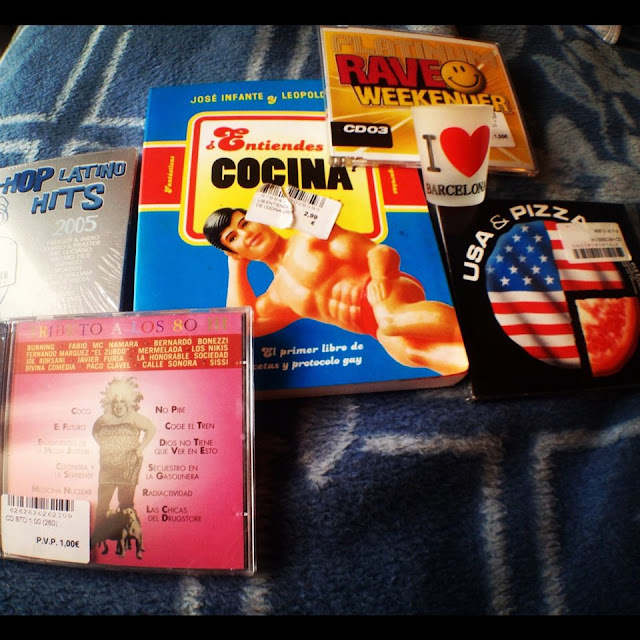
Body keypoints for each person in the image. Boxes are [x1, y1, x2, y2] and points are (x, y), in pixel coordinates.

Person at [203, 207, 467, 375]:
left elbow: (379, 251)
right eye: (233, 238)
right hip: (371, 326)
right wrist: (235, 268)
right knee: (410, 352)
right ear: (233, 252)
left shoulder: (310, 239)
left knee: (391, 321)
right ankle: (480, 361)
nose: (245, 234)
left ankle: (477, 333)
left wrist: (380, 278)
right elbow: (244, 325)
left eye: (245, 223)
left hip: (384, 291)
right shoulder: (279, 295)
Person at [91, 377, 156, 550]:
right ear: (111, 403)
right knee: (102, 504)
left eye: (122, 401)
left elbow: (151, 429)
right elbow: (95, 432)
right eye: (115, 402)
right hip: (107, 469)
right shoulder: (104, 419)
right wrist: (104, 445)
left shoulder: (134, 417)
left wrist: (141, 448)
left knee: (126, 505)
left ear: (128, 403)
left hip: (128, 467)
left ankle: (126, 540)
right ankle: (98, 537)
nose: (118, 405)